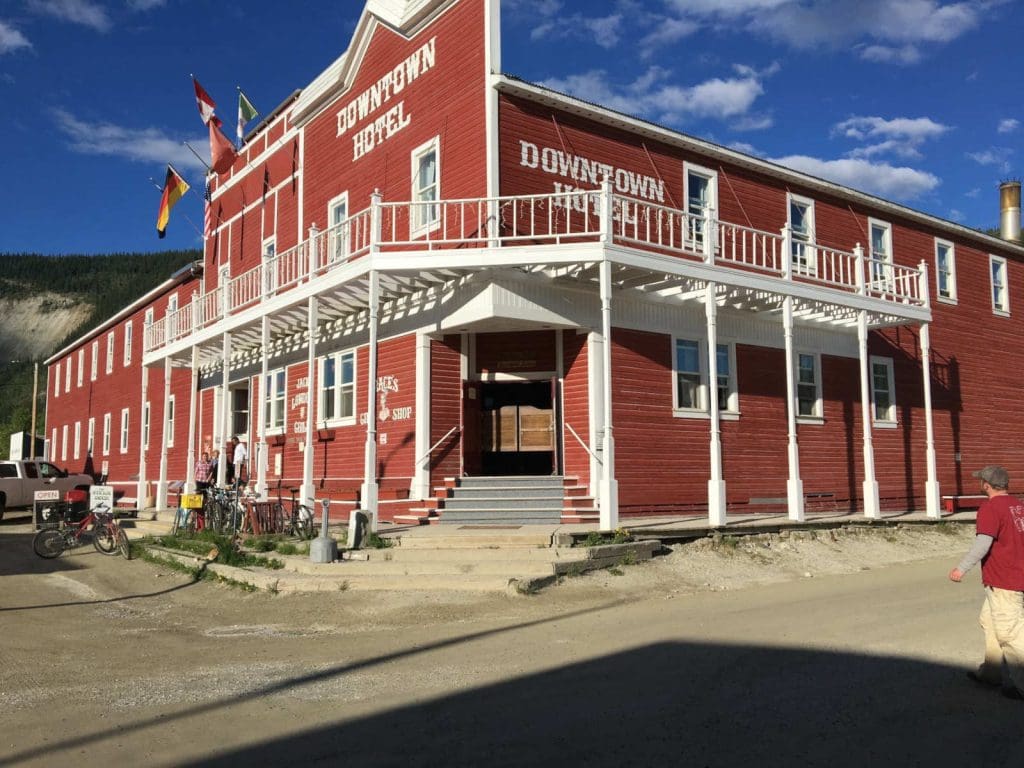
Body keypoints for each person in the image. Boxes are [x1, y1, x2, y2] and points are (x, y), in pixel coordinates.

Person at [949, 465, 1024, 700]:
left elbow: (983, 544)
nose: (980, 483)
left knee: (1010, 633)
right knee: (989, 621)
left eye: (981, 480)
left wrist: (961, 569)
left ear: (987, 485)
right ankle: (991, 673)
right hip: (1011, 578)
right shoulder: (1018, 505)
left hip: (1005, 581)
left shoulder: (991, 508)